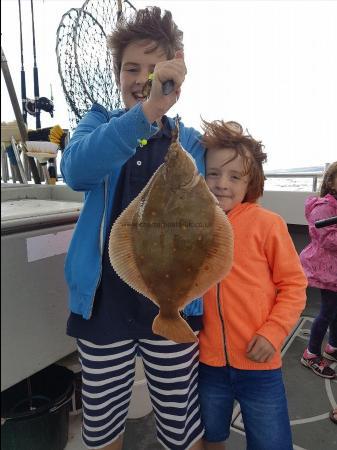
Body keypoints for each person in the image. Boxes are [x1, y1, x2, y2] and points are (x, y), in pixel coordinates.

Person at [61, 7, 204, 450]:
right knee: (102, 427)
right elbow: (77, 169)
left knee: (181, 425)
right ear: (117, 72)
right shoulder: (97, 126)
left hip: (173, 301)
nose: (141, 78)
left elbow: (216, 209)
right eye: (131, 68)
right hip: (104, 305)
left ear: (175, 70)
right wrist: (147, 112)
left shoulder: (191, 142)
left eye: (154, 67)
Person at [197, 119, 307, 450]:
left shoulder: (268, 224)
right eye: (212, 173)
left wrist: (273, 332)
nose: (221, 184)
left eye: (234, 176)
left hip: (260, 364)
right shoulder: (192, 223)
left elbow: (294, 285)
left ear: (251, 182)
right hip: (205, 363)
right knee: (209, 436)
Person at [300, 161, 337, 379]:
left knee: (336, 312)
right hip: (327, 270)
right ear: (331, 182)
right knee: (327, 312)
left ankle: (332, 346)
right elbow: (328, 238)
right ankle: (311, 353)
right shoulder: (323, 206)